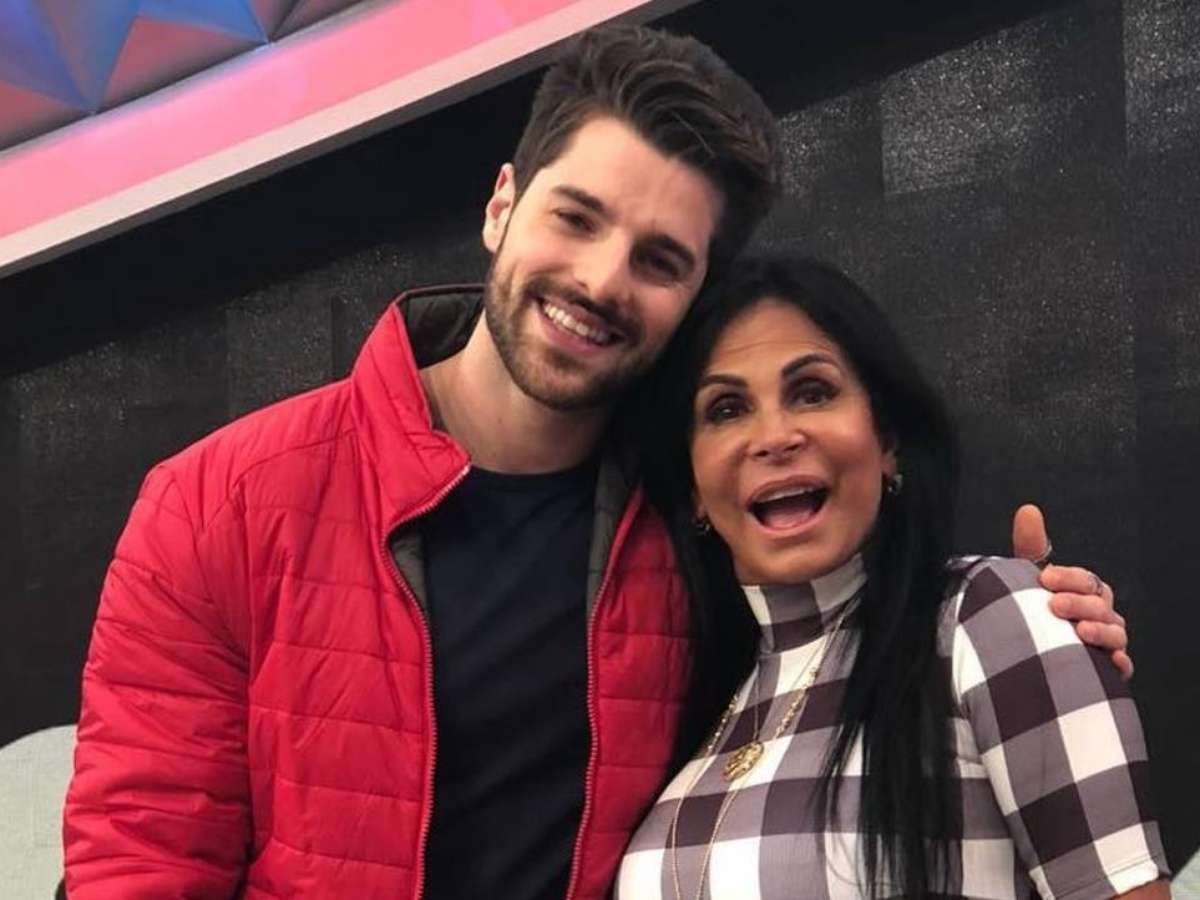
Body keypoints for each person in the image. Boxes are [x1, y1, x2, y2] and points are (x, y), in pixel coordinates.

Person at [62, 23, 1128, 900]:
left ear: (693, 297)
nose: (602, 280)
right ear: (501, 205)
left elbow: (861, 632)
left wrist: (1039, 634)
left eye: (658, 260)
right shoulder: (220, 502)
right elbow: (140, 864)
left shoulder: (704, 520)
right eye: (576, 218)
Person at [617, 256, 1167, 899]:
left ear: (887, 442)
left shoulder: (984, 619)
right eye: (727, 408)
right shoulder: (699, 700)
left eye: (812, 392)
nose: (774, 436)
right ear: (693, 490)